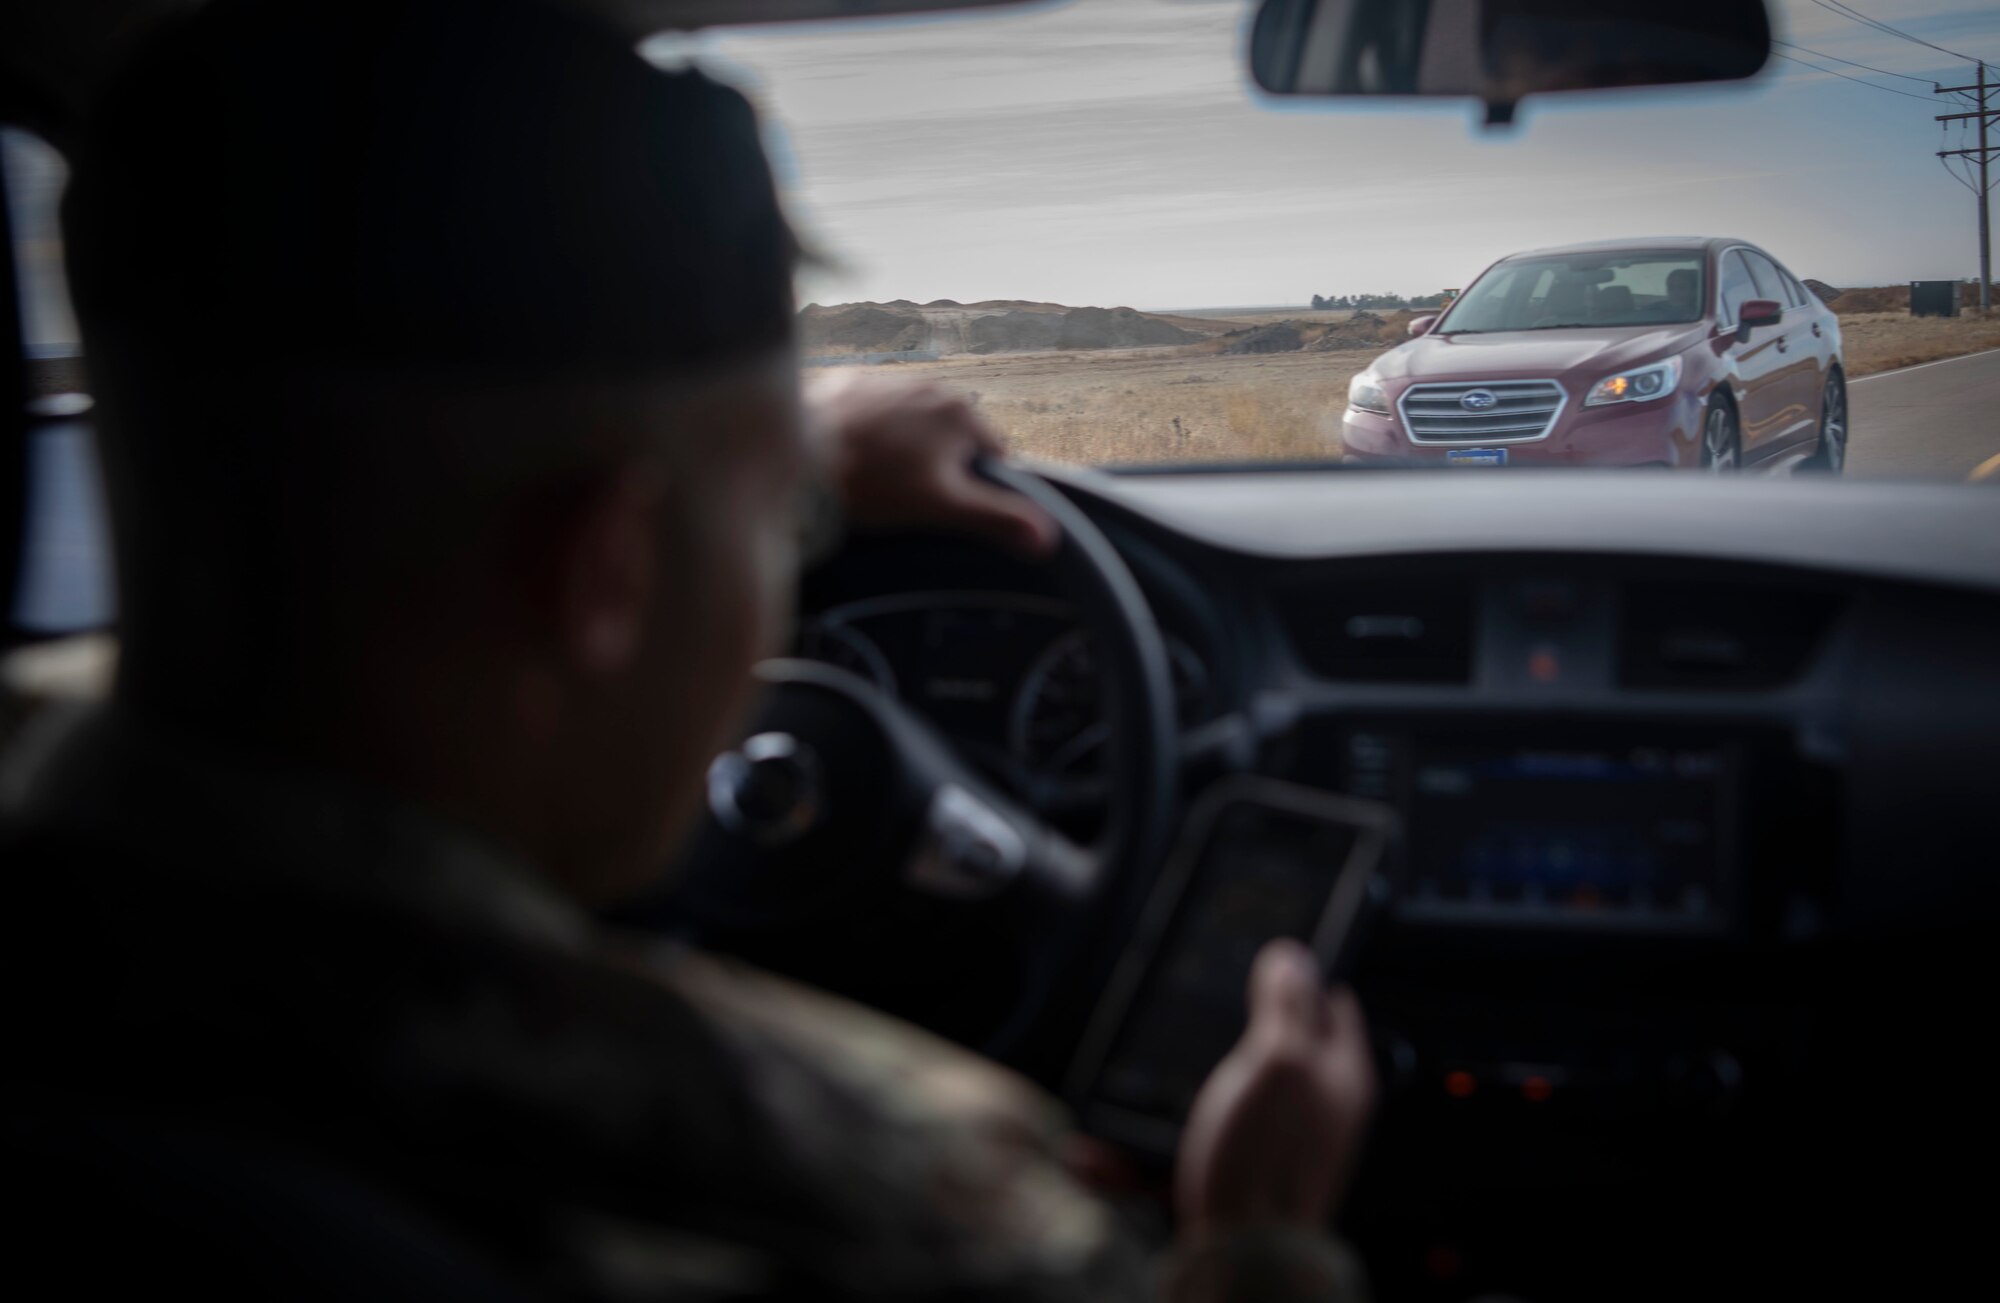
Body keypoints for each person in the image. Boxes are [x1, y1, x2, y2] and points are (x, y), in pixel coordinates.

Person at [2, 1, 1376, 1298]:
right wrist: (1255, 1250)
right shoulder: (902, 1216)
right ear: (607, 569)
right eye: (773, 523)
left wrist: (782, 466)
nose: (785, 558)